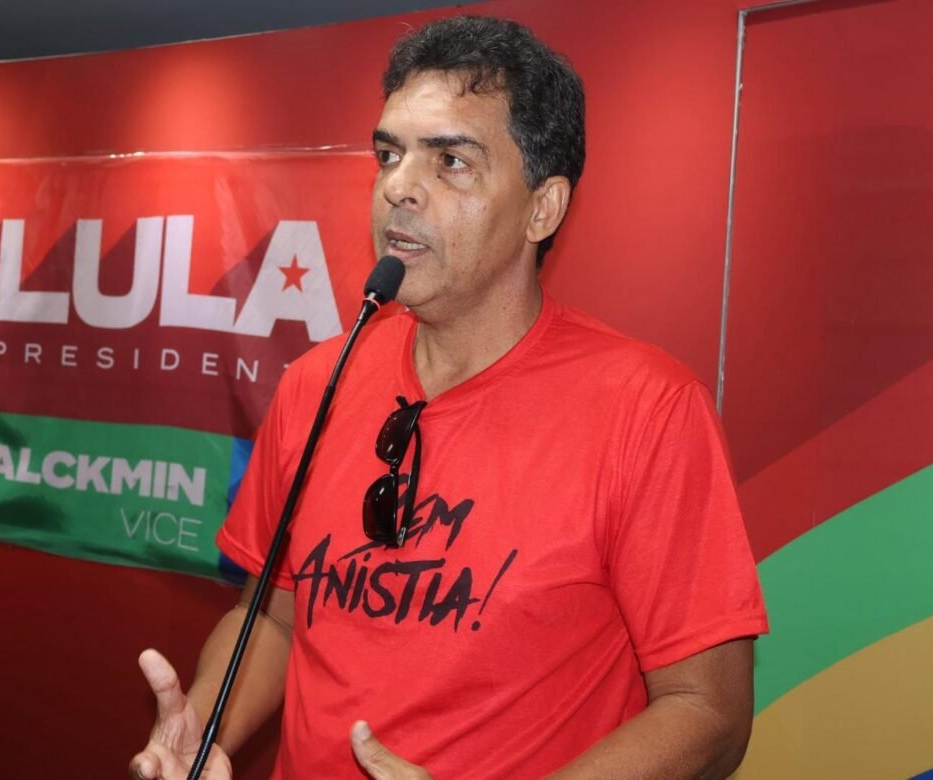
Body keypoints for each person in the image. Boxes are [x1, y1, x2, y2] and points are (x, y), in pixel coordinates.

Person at [131, 15, 767, 780]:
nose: (398, 187)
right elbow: (273, 616)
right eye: (389, 154)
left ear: (542, 208)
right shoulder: (315, 384)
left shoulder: (648, 409)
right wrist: (204, 731)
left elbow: (708, 711)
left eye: (451, 161)